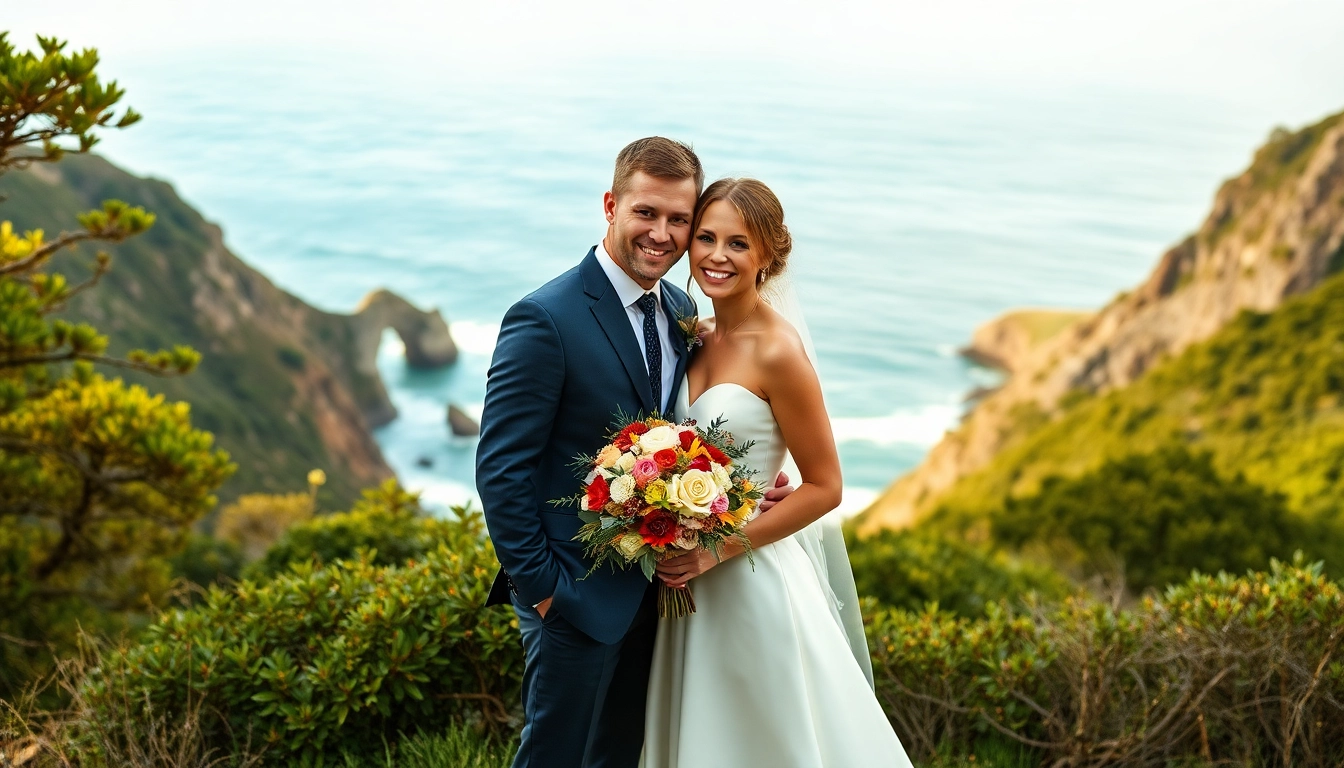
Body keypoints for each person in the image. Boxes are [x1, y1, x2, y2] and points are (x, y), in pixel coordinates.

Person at [477, 139, 793, 768]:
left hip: (655, 592)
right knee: (554, 756)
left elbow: (686, 424)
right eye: (646, 213)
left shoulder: (678, 308)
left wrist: (743, 485)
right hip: (572, 591)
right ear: (610, 205)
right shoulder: (545, 318)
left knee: (620, 755)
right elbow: (501, 469)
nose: (663, 234)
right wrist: (545, 592)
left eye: (680, 220)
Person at [644, 178, 913, 767]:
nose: (717, 256)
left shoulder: (779, 351)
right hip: (681, 587)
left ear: (768, 255)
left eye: (738, 244)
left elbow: (825, 486)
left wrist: (716, 551)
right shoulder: (693, 333)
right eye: (707, 237)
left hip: (747, 581)